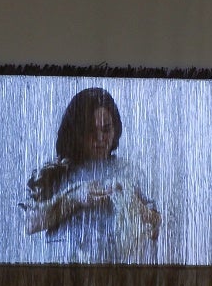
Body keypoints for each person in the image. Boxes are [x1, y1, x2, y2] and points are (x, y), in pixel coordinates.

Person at [22, 87, 160, 262]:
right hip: (64, 277)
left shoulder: (128, 171)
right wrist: (74, 198)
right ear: (76, 133)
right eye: (91, 131)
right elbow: (29, 223)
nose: (100, 138)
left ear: (116, 129)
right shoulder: (55, 172)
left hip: (115, 277)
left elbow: (157, 224)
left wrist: (136, 208)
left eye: (106, 129)